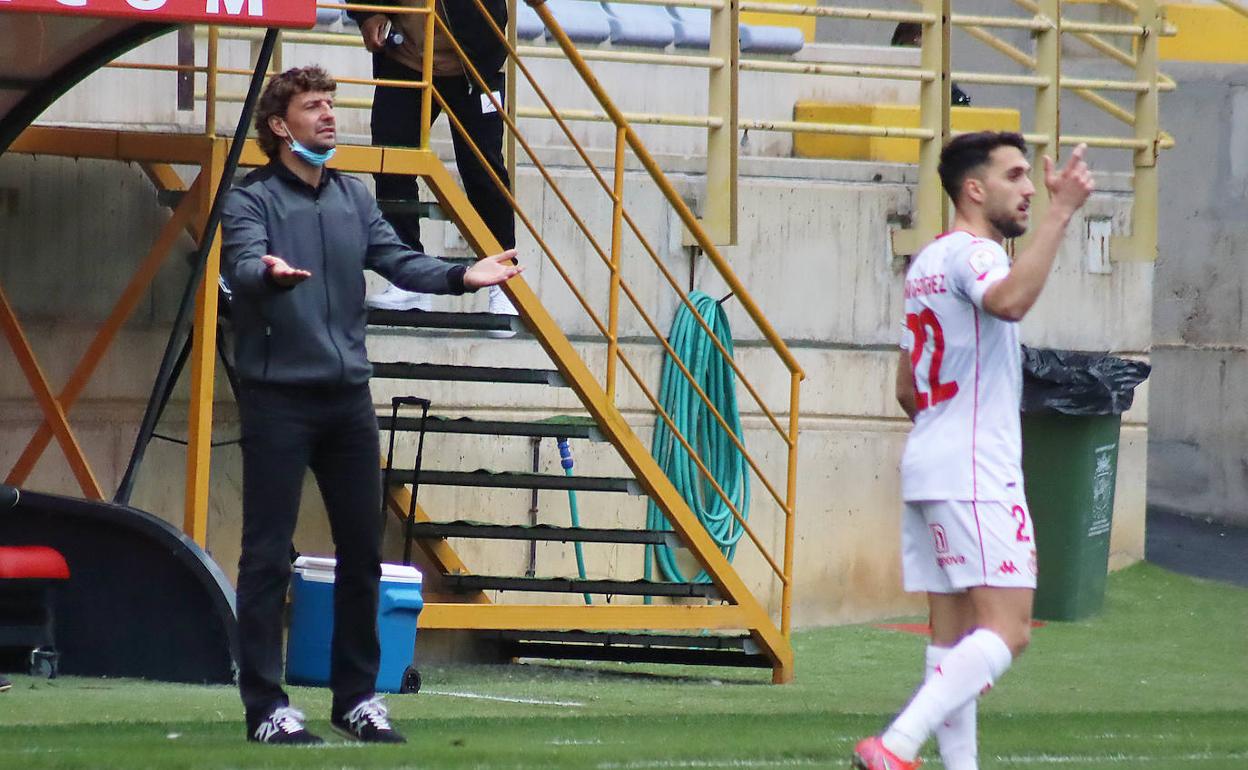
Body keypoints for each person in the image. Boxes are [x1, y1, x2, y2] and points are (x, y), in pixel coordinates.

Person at [221, 65, 521, 745]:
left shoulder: (353, 196)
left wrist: (459, 277)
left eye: (331, 104)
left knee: (363, 550)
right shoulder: (252, 201)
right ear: (279, 126)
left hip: (347, 399)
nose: (328, 115)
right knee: (268, 555)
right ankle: (266, 706)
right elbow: (241, 266)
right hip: (278, 399)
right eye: (313, 106)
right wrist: (265, 275)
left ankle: (356, 698)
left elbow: (394, 259)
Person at [853, 132, 1094, 770]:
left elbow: (907, 385)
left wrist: (946, 425)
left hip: (930, 462)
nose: (1028, 188)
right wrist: (1061, 212)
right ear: (974, 189)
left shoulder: (926, 262)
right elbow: (1009, 300)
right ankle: (896, 746)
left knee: (950, 639)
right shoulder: (974, 255)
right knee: (1007, 631)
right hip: (975, 469)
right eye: (1015, 176)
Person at [351, 0, 516, 328]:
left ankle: (504, 281)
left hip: (473, 64)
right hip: (406, 56)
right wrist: (367, 12)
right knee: (391, 162)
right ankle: (405, 277)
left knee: (483, 171)